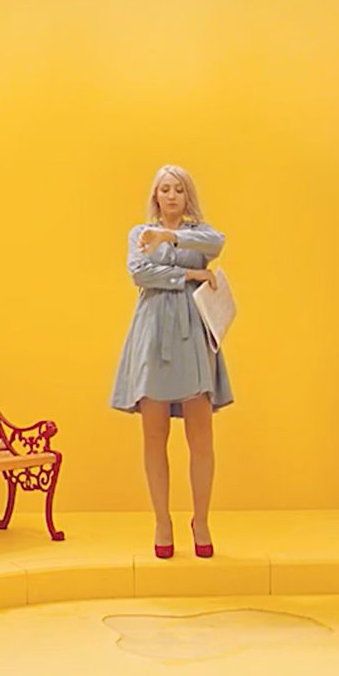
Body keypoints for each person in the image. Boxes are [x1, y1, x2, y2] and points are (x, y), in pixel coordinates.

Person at [109, 164, 234, 559]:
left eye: (178, 188)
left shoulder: (200, 232)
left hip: (192, 336)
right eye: (164, 189)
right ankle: (162, 520)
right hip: (152, 334)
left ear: (187, 194)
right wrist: (192, 274)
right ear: (155, 195)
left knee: (201, 436)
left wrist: (172, 238)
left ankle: (201, 519)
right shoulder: (138, 234)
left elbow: (216, 244)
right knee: (154, 434)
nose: (172, 195)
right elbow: (140, 273)